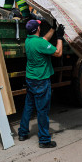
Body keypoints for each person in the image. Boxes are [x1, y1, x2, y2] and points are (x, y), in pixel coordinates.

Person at [18, 19, 64, 148]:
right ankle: (44, 140)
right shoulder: (39, 43)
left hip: (31, 79)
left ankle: (22, 133)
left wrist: (53, 29)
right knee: (42, 110)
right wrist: (59, 37)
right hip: (41, 80)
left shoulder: (29, 40)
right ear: (38, 29)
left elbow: (43, 40)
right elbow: (58, 53)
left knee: (28, 107)